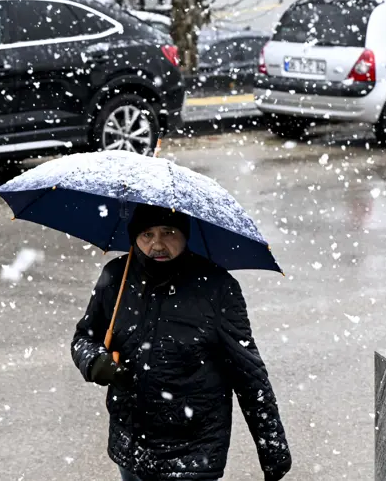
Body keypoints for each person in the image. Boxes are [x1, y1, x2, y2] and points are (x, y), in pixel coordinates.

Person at [71, 204, 292, 481]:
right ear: (134, 237)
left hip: (192, 451)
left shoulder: (217, 287)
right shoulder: (117, 276)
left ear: (185, 235)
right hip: (131, 444)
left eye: (168, 232)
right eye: (147, 234)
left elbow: (248, 374)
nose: (157, 244)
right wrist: (93, 361)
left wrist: (272, 447)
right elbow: (84, 337)